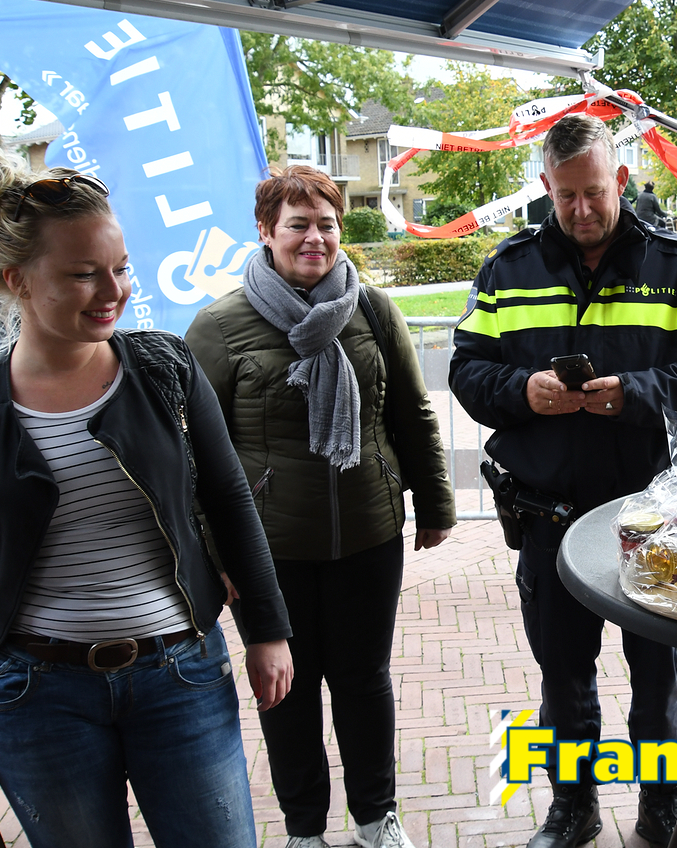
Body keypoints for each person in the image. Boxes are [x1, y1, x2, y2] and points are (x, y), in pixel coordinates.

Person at [0, 146, 294, 848]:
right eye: (83, 274)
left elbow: (230, 499)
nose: (113, 291)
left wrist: (267, 630)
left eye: (121, 267)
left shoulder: (164, 365)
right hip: (31, 695)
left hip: (181, 677)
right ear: (16, 279)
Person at [449, 114, 677, 848]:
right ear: (545, 187)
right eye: (566, 197)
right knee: (563, 676)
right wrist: (523, 392)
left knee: (659, 676)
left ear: (620, 179)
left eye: (594, 193)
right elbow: (466, 369)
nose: (581, 210)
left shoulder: (676, 265)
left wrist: (637, 394)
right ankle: (572, 807)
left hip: (653, 520)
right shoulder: (508, 269)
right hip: (548, 516)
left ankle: (662, 804)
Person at [185, 165, 457, 848]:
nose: (315, 238)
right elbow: (194, 458)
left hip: (368, 533)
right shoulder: (219, 327)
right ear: (265, 230)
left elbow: (411, 413)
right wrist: (214, 555)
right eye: (298, 225)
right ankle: (304, 828)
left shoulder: (371, 310)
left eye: (327, 225)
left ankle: (375, 817)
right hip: (268, 550)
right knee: (288, 690)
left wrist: (434, 502)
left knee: (365, 681)